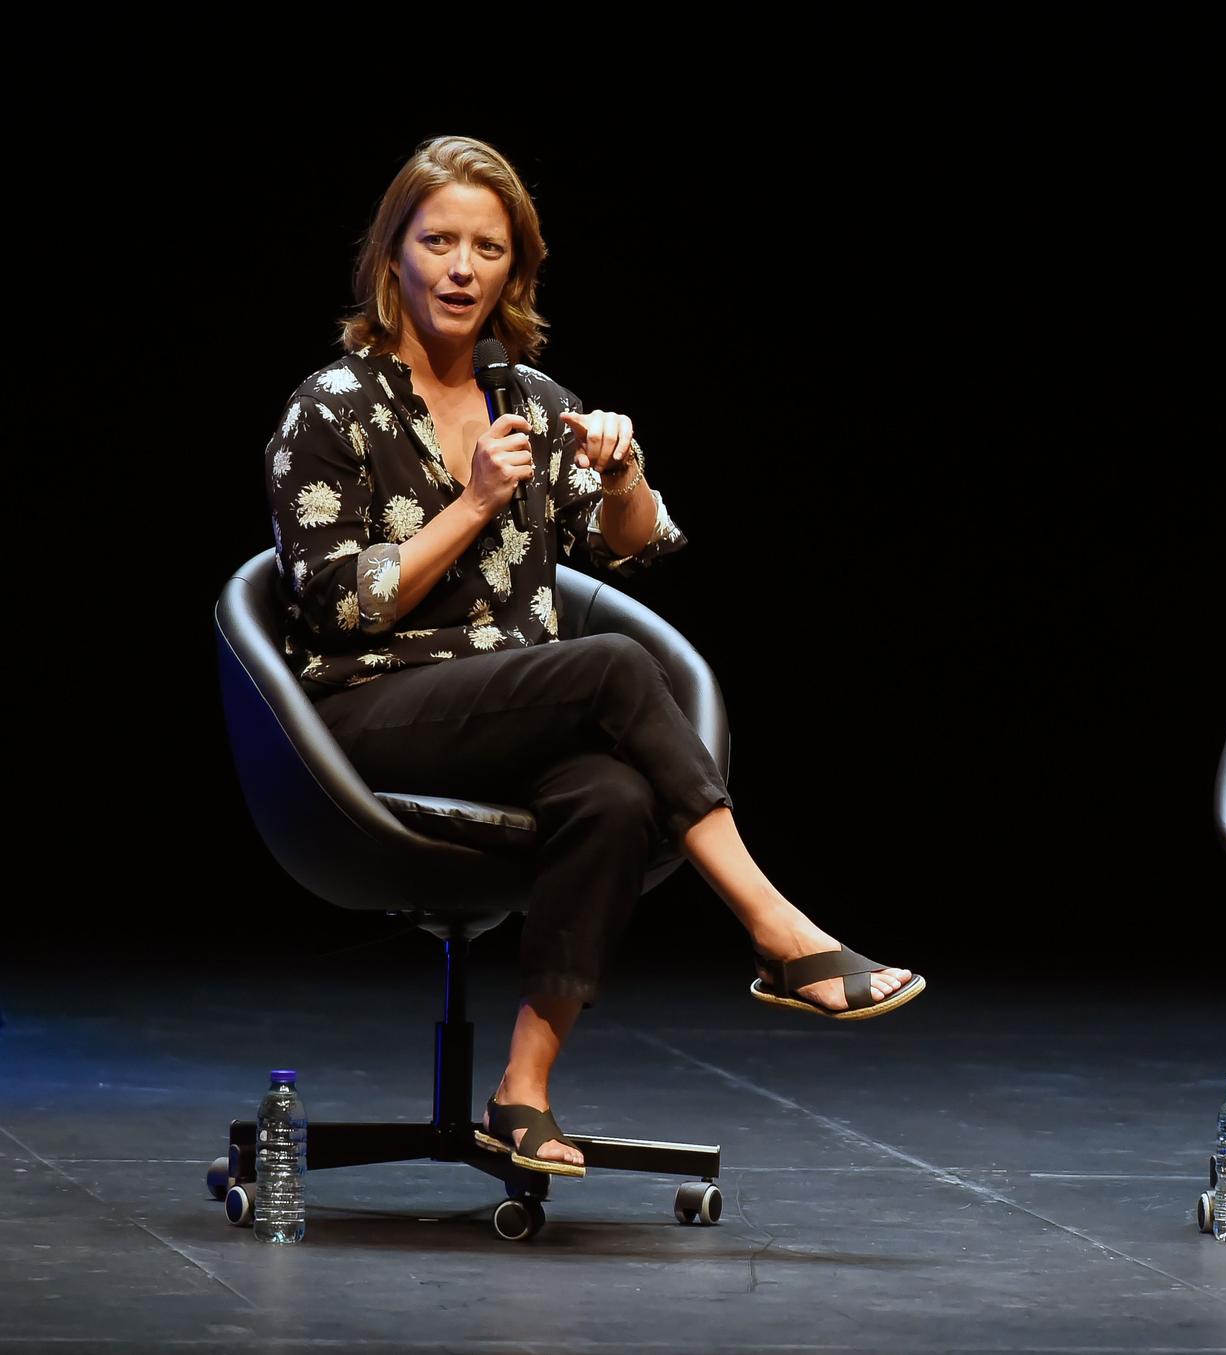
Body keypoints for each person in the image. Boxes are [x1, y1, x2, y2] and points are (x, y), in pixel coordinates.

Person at [262, 135, 923, 1179]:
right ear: (391, 256)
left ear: (513, 270)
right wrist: (474, 499)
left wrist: (621, 470)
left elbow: (635, 542)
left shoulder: (526, 395)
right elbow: (341, 604)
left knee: (613, 795)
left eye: (487, 247)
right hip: (365, 714)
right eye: (437, 241)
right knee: (610, 667)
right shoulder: (331, 407)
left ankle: (522, 1090)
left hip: (508, 712)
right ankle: (776, 929)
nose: (460, 268)